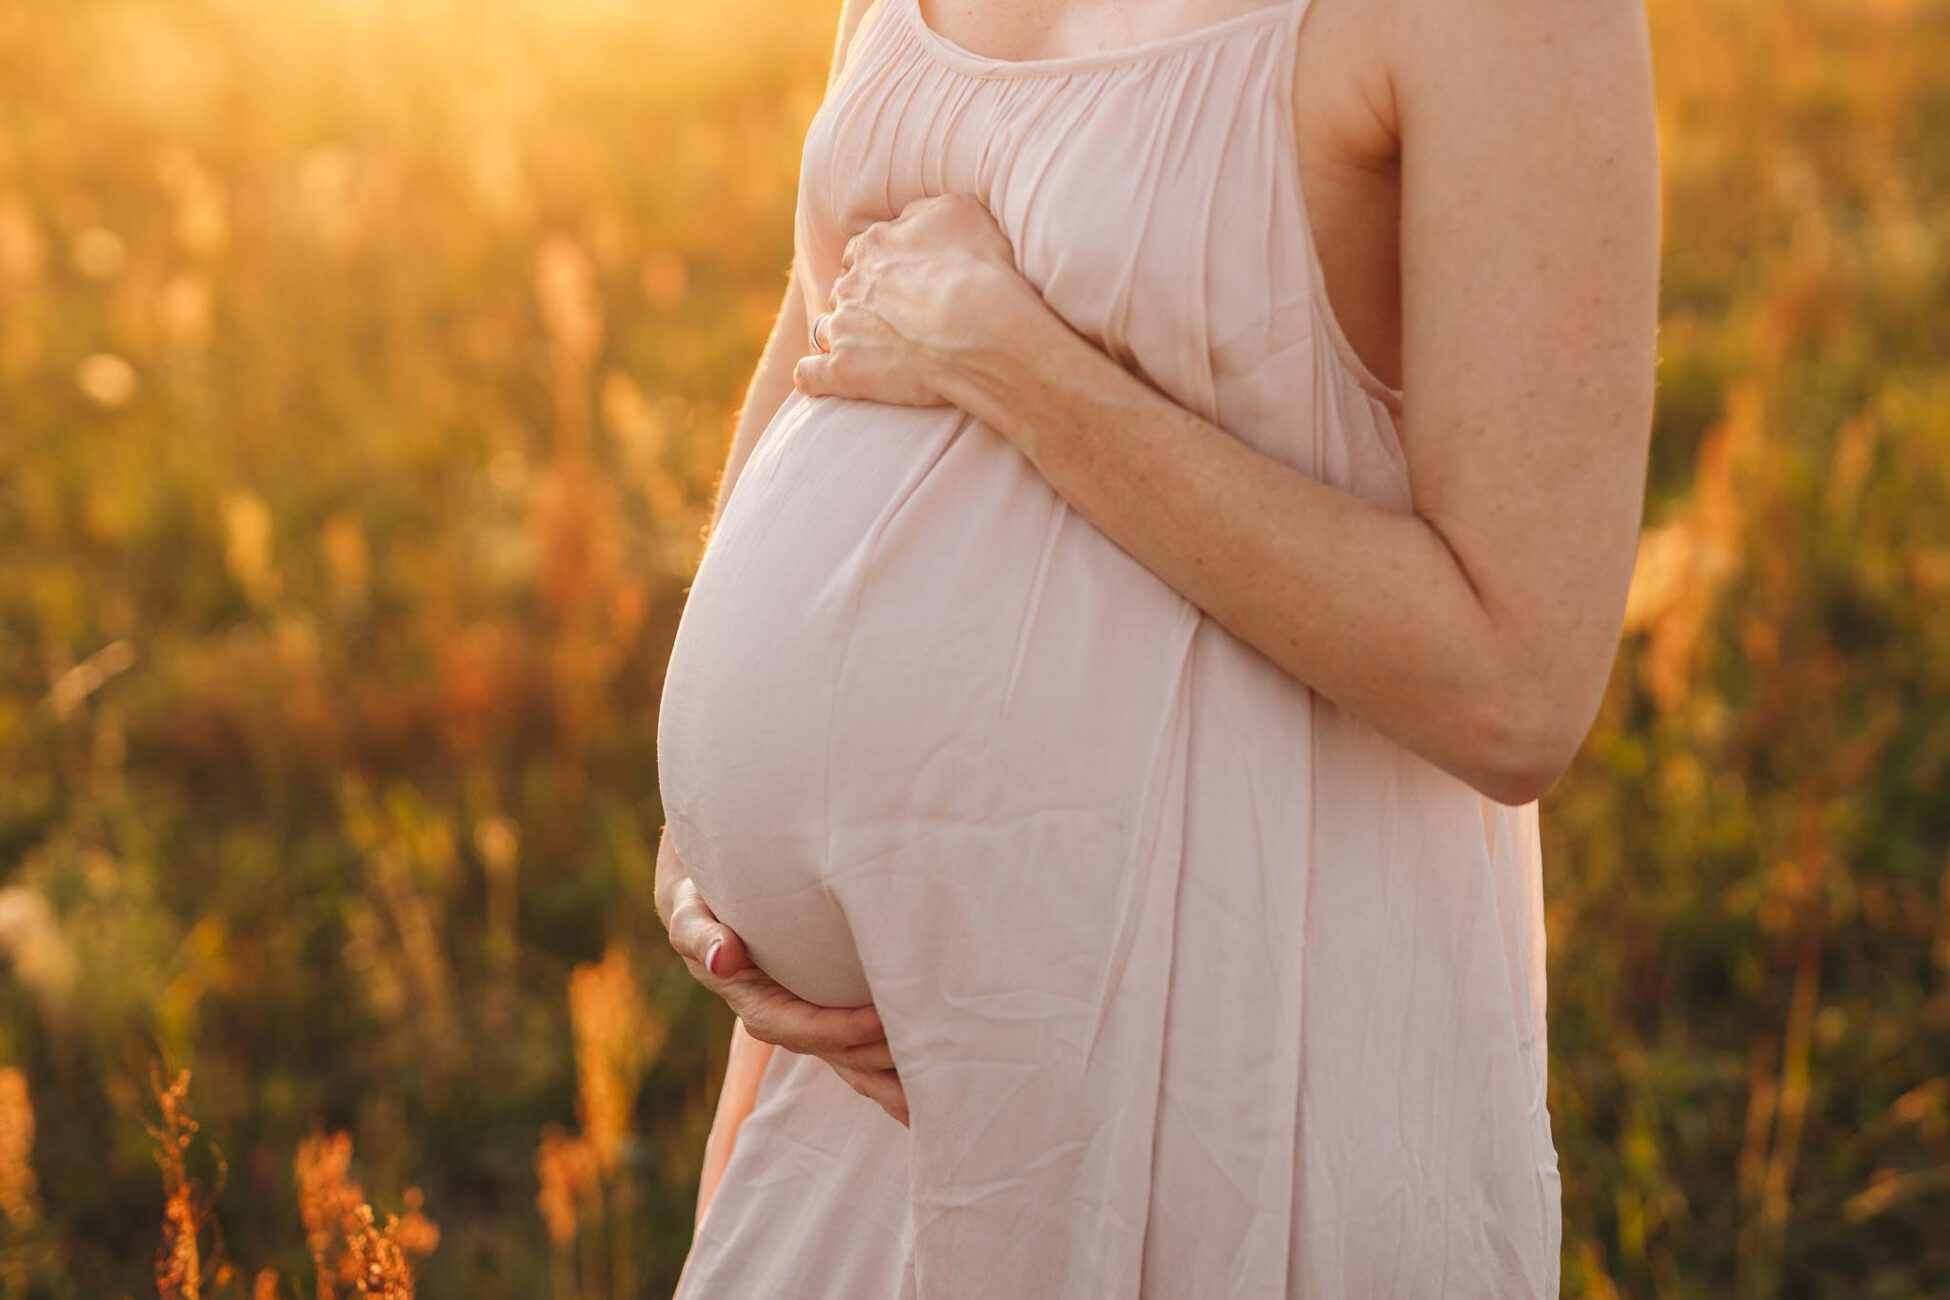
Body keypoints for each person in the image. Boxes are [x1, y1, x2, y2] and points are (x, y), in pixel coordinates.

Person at [654, 0, 1659, 1293]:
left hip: (1224, 1089)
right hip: (844, 1110)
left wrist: (1015, 364)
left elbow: (1515, 685)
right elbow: (826, 338)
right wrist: (703, 848)